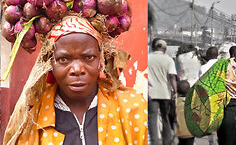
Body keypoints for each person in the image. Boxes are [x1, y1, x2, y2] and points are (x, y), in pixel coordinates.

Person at [3, 16, 148, 144]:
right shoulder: (32, 117)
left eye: (89, 57)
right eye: (64, 59)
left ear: (101, 60)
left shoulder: (132, 107)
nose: (77, 69)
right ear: (50, 63)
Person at [148, 38, 178, 145]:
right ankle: (167, 141)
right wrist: (175, 91)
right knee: (165, 118)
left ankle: (154, 141)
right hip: (165, 94)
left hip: (151, 93)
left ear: (153, 47)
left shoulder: (148, 58)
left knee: (152, 118)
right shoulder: (169, 60)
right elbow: (172, 77)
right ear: (165, 49)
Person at [175, 80, 194, 145]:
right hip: (190, 132)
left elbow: (171, 115)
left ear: (177, 90)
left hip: (179, 132)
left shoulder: (175, 102)